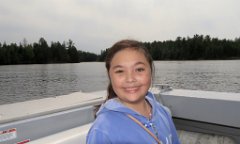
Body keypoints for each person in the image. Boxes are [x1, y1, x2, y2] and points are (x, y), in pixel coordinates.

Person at [86, 39, 180, 144]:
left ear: (151, 71)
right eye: (120, 71)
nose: (130, 79)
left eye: (139, 69)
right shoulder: (102, 131)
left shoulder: (163, 112)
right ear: (110, 76)